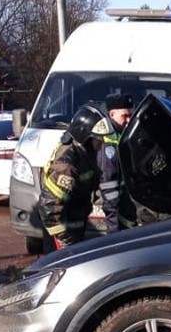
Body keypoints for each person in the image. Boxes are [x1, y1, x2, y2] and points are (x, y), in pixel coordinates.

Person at [39, 104, 114, 249]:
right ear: (84, 136)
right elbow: (49, 207)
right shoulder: (66, 166)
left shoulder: (85, 153)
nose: (102, 142)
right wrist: (64, 240)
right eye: (98, 139)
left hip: (76, 226)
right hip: (62, 237)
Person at [89, 94, 134, 235]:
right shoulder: (107, 141)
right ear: (112, 114)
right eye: (124, 116)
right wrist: (113, 223)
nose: (128, 120)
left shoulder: (121, 134)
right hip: (114, 205)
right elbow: (108, 181)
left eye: (130, 116)